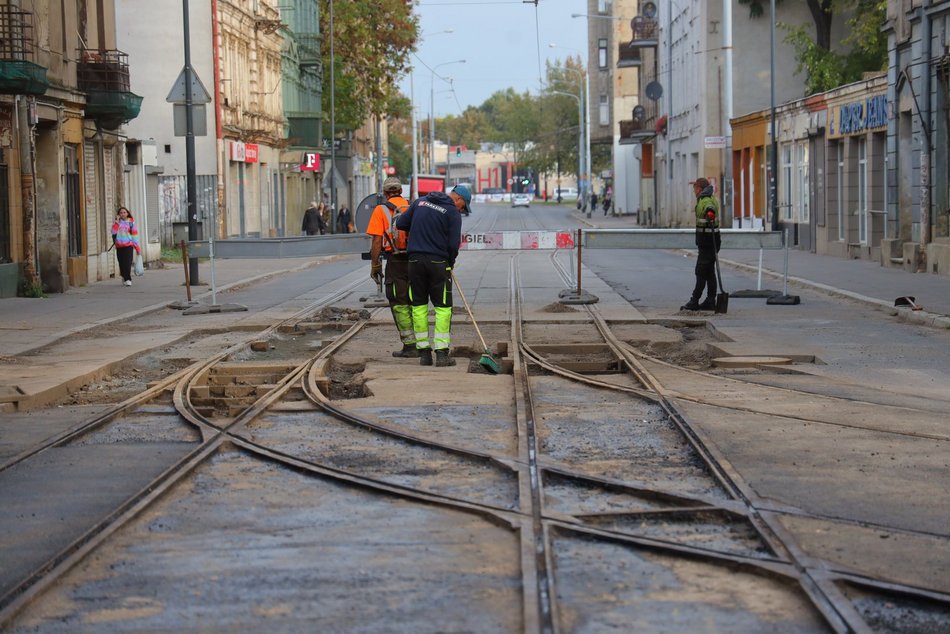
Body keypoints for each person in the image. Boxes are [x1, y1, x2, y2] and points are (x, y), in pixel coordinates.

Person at [395, 183, 466, 367]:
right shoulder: (452, 212)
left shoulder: (420, 202)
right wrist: (450, 262)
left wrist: (421, 226)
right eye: (463, 206)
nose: (462, 209)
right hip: (438, 263)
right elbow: (453, 244)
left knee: (418, 306)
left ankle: (424, 354)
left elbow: (401, 223)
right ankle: (442, 355)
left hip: (415, 262)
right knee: (443, 308)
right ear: (458, 199)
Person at [367, 177, 415, 357]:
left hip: (395, 261)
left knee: (399, 301)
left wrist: (375, 265)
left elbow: (377, 240)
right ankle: (423, 343)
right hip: (414, 260)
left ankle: (410, 345)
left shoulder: (381, 210)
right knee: (416, 301)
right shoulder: (413, 207)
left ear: (385, 194)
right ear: (401, 192)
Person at [681, 177, 722, 311]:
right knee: (709, 272)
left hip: (708, 242)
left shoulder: (706, 200)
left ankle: (694, 300)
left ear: (699, 189)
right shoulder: (708, 198)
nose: (694, 191)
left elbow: (710, 208)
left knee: (700, 271)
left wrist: (710, 213)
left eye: (694, 189)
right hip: (710, 241)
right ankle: (710, 300)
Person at [111, 207, 141, 287]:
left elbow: (134, 235)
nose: (123, 214)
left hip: (128, 246)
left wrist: (137, 248)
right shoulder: (116, 223)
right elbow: (113, 232)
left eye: (124, 212)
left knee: (127, 263)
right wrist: (117, 223)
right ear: (119, 214)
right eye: (121, 213)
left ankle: (128, 279)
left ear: (127, 213)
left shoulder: (131, 223)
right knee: (121, 263)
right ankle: (124, 277)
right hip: (119, 246)